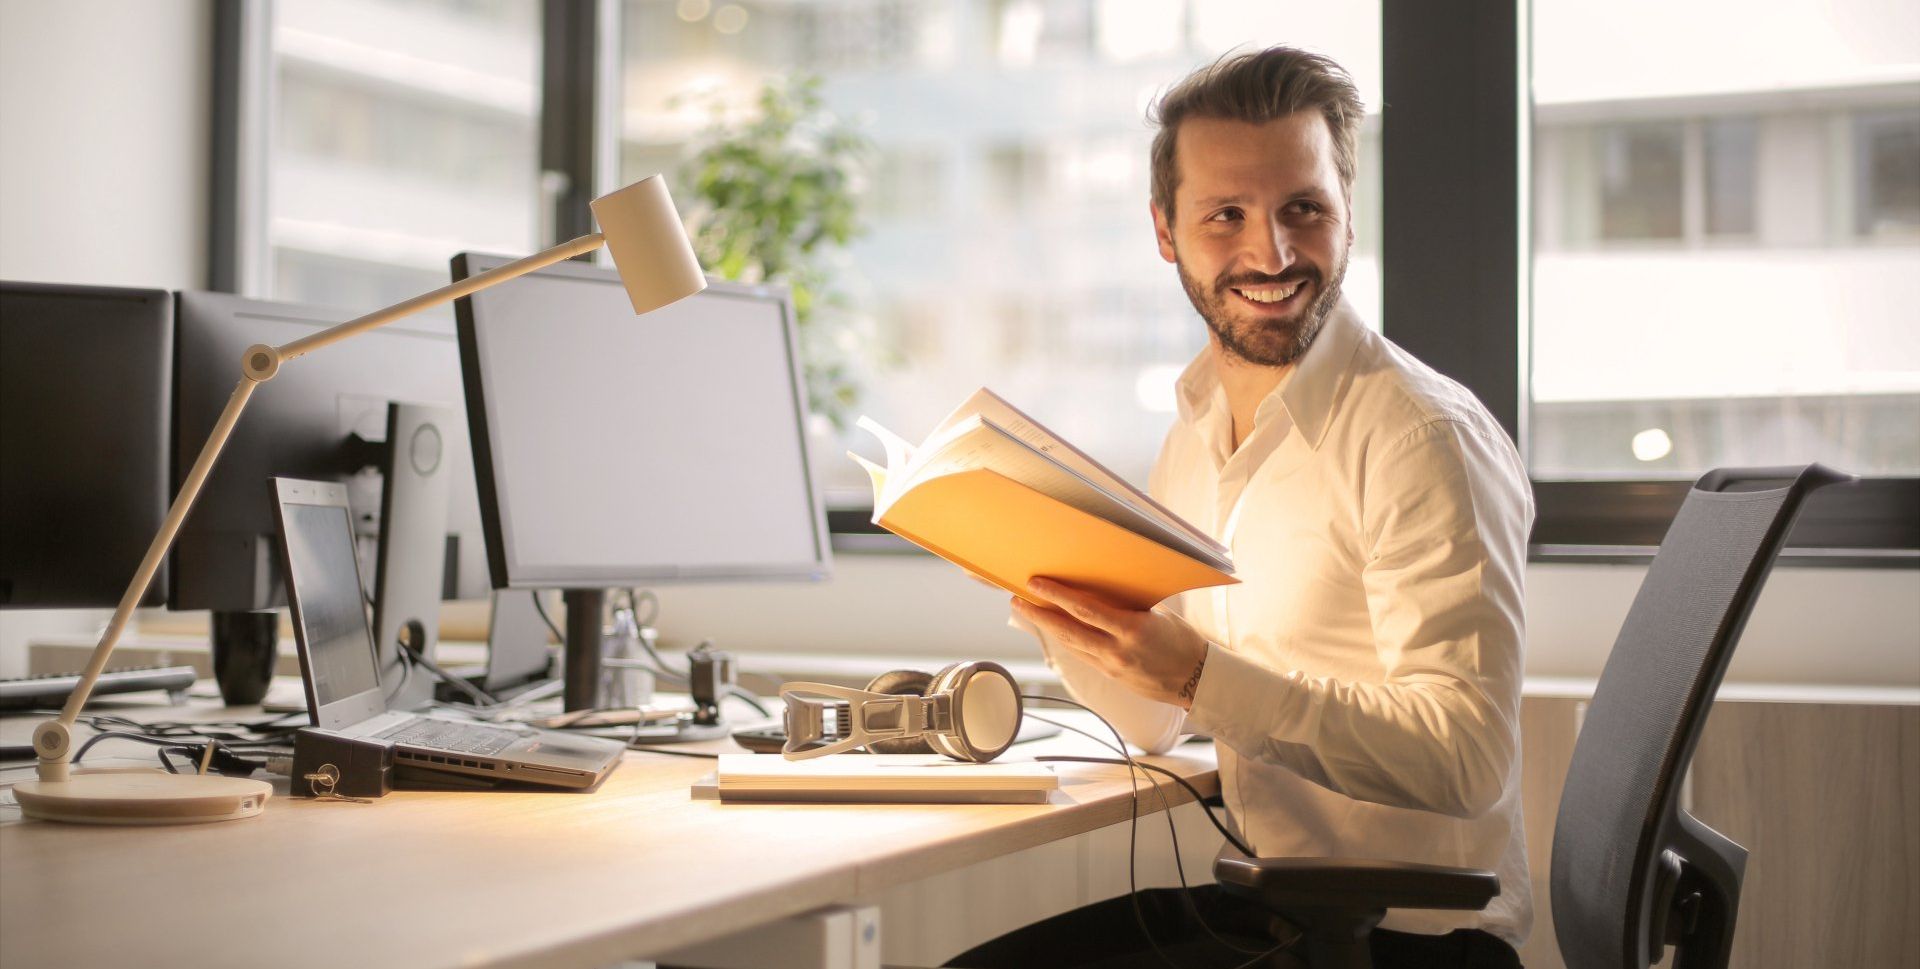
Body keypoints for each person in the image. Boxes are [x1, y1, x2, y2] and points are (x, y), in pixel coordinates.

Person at [948, 46, 1533, 969]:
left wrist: (1198, 677)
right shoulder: (1196, 427)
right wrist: (1054, 601)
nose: (1273, 253)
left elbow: (1466, 758)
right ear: (1165, 231)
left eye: (1304, 209)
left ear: (1346, 211)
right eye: (1226, 215)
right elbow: (1154, 725)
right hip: (1276, 904)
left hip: (1413, 940)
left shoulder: (1422, 436)